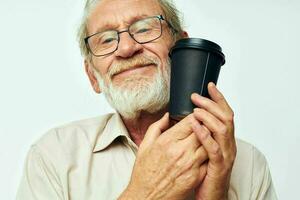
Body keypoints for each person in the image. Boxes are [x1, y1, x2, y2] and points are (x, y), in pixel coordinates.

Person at [17, 0, 277, 199]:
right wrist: (144, 192)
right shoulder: (53, 156)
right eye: (106, 39)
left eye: (143, 28)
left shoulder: (248, 163)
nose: (127, 48)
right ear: (92, 76)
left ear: (182, 51)